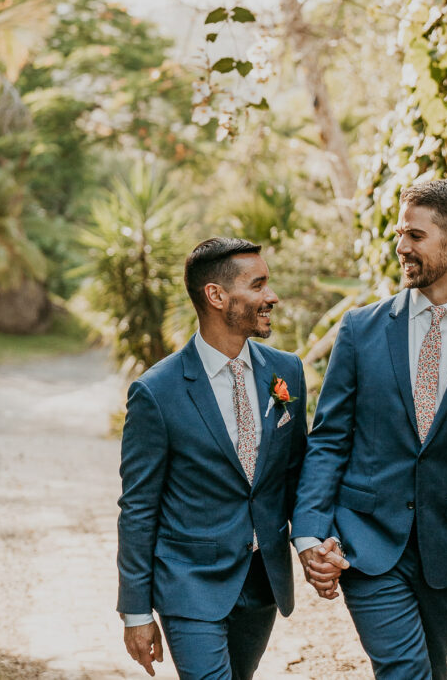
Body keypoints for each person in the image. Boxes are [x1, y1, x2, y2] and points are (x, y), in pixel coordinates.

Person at [292, 180, 447, 679]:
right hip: (366, 542)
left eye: (415, 235)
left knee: (429, 670)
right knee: (406, 671)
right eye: (400, 233)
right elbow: (330, 438)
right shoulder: (360, 329)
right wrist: (311, 530)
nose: (401, 246)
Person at [116, 237, 316, 679]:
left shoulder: (286, 372)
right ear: (216, 295)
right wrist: (135, 611)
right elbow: (138, 506)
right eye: (258, 285)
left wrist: (314, 538)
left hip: (262, 581)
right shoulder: (157, 391)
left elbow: (298, 473)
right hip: (189, 583)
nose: (272, 296)